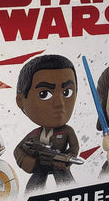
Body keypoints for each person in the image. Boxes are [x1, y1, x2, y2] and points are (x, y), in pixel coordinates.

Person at [14, 54, 80, 192]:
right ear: (21, 101)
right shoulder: (35, 134)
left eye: (67, 92)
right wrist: (27, 161)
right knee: (33, 190)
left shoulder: (67, 131)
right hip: (40, 166)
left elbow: (74, 148)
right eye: (44, 94)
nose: (59, 104)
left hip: (59, 165)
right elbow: (18, 150)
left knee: (69, 188)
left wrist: (67, 160)